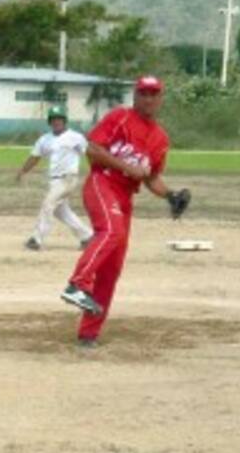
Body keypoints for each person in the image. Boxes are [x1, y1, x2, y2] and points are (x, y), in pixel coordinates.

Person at [59, 76, 186, 347]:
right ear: (135, 95)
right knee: (111, 231)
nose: (149, 99)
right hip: (102, 183)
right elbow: (92, 149)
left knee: (112, 268)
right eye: (143, 93)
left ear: (161, 98)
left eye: (154, 94)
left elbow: (151, 178)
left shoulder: (160, 138)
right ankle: (78, 283)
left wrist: (170, 195)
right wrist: (127, 168)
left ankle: (89, 334)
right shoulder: (120, 117)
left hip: (125, 197)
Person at [15, 105, 93, 252]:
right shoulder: (45, 139)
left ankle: (36, 240)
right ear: (49, 122)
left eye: (59, 119)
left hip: (68, 178)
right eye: (53, 119)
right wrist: (23, 171)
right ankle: (87, 236)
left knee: (48, 204)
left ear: (65, 121)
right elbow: (35, 157)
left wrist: (96, 171)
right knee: (61, 212)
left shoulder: (75, 137)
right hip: (54, 181)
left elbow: (89, 153)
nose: (56, 122)